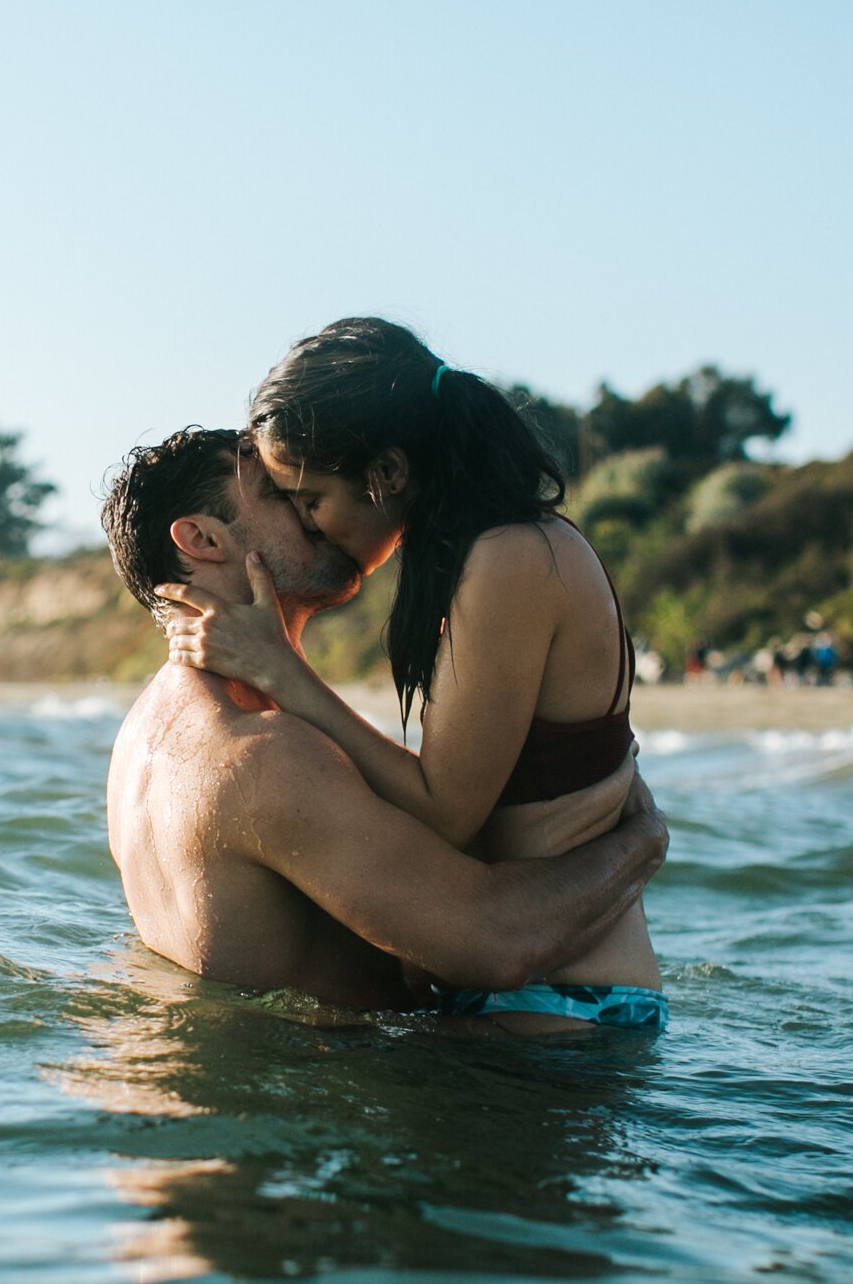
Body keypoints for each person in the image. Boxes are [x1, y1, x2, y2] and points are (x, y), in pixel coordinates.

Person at [154, 318, 665, 1032]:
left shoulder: (514, 559)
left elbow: (445, 809)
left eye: (309, 500)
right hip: (526, 999)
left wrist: (286, 675)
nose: (313, 526)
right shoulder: (482, 558)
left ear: (386, 474)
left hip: (565, 1004)